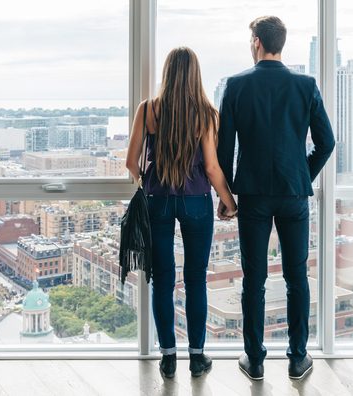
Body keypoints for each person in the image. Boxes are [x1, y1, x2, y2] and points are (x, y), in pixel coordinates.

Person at [217, 16, 335, 381]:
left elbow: (224, 149)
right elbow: (327, 143)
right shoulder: (305, 85)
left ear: (256, 42)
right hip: (293, 194)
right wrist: (302, 174)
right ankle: (298, 358)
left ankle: (254, 360)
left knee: (254, 279)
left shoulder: (235, 86)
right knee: (296, 276)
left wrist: (226, 195)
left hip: (252, 195)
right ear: (280, 43)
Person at [126, 47, 237, 379]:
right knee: (195, 279)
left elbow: (131, 163)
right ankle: (197, 357)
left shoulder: (147, 110)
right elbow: (213, 167)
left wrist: (149, 181)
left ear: (167, 73)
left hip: (157, 200)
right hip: (196, 202)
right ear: (195, 75)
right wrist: (229, 202)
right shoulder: (206, 114)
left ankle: (168, 357)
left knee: (162, 280)